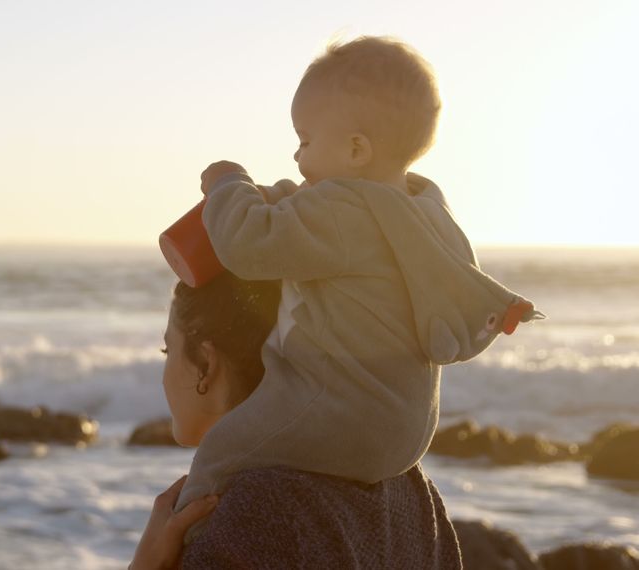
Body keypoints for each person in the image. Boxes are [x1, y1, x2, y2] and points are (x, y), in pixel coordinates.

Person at [171, 35, 545, 542]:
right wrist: (276, 196)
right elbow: (305, 212)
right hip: (407, 430)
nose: (296, 155)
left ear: (355, 149)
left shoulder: (343, 216)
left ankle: (187, 545)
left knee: (220, 453)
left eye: (304, 140)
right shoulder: (422, 210)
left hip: (334, 409)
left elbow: (248, 244)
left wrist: (228, 184)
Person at [129, 272, 462, 569]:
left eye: (167, 350)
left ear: (205, 362)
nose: (163, 377)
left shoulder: (252, 513)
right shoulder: (411, 488)